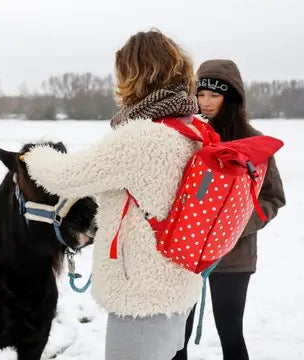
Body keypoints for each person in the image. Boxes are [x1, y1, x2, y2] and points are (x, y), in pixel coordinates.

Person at [22, 30, 204, 360]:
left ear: (136, 74)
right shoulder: (191, 130)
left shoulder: (141, 138)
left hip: (142, 299)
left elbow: (67, 176)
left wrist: (31, 157)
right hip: (178, 290)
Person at [172, 59, 286, 360]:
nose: (206, 102)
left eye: (215, 95)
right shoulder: (187, 136)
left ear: (231, 97)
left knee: (231, 329)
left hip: (236, 256)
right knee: (175, 334)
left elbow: (273, 197)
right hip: (188, 252)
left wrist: (233, 225)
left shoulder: (254, 142)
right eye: (201, 94)